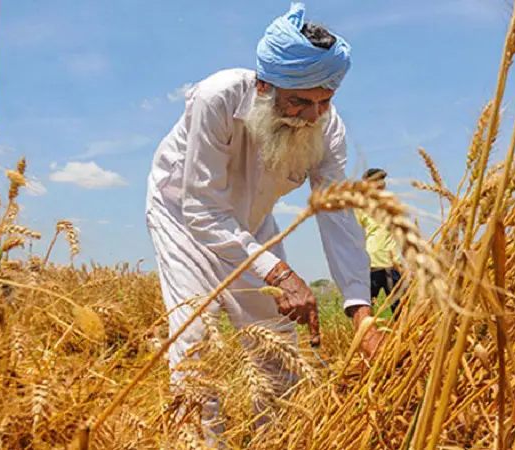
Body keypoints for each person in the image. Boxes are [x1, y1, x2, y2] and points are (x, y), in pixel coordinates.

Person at [144, 2, 385, 443]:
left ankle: (276, 441)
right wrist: (277, 271)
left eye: (324, 102)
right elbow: (202, 209)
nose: (312, 116)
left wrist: (360, 312)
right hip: (183, 217)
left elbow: (336, 214)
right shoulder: (216, 98)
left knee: (278, 346)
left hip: (252, 224)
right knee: (196, 346)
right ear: (263, 87)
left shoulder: (327, 129)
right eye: (299, 102)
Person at [355, 169, 405, 315]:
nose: (380, 184)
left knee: (400, 309)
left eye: (382, 181)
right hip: (372, 265)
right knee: (365, 308)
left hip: (393, 265)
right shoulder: (361, 208)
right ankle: (366, 337)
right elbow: (356, 235)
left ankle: (401, 337)